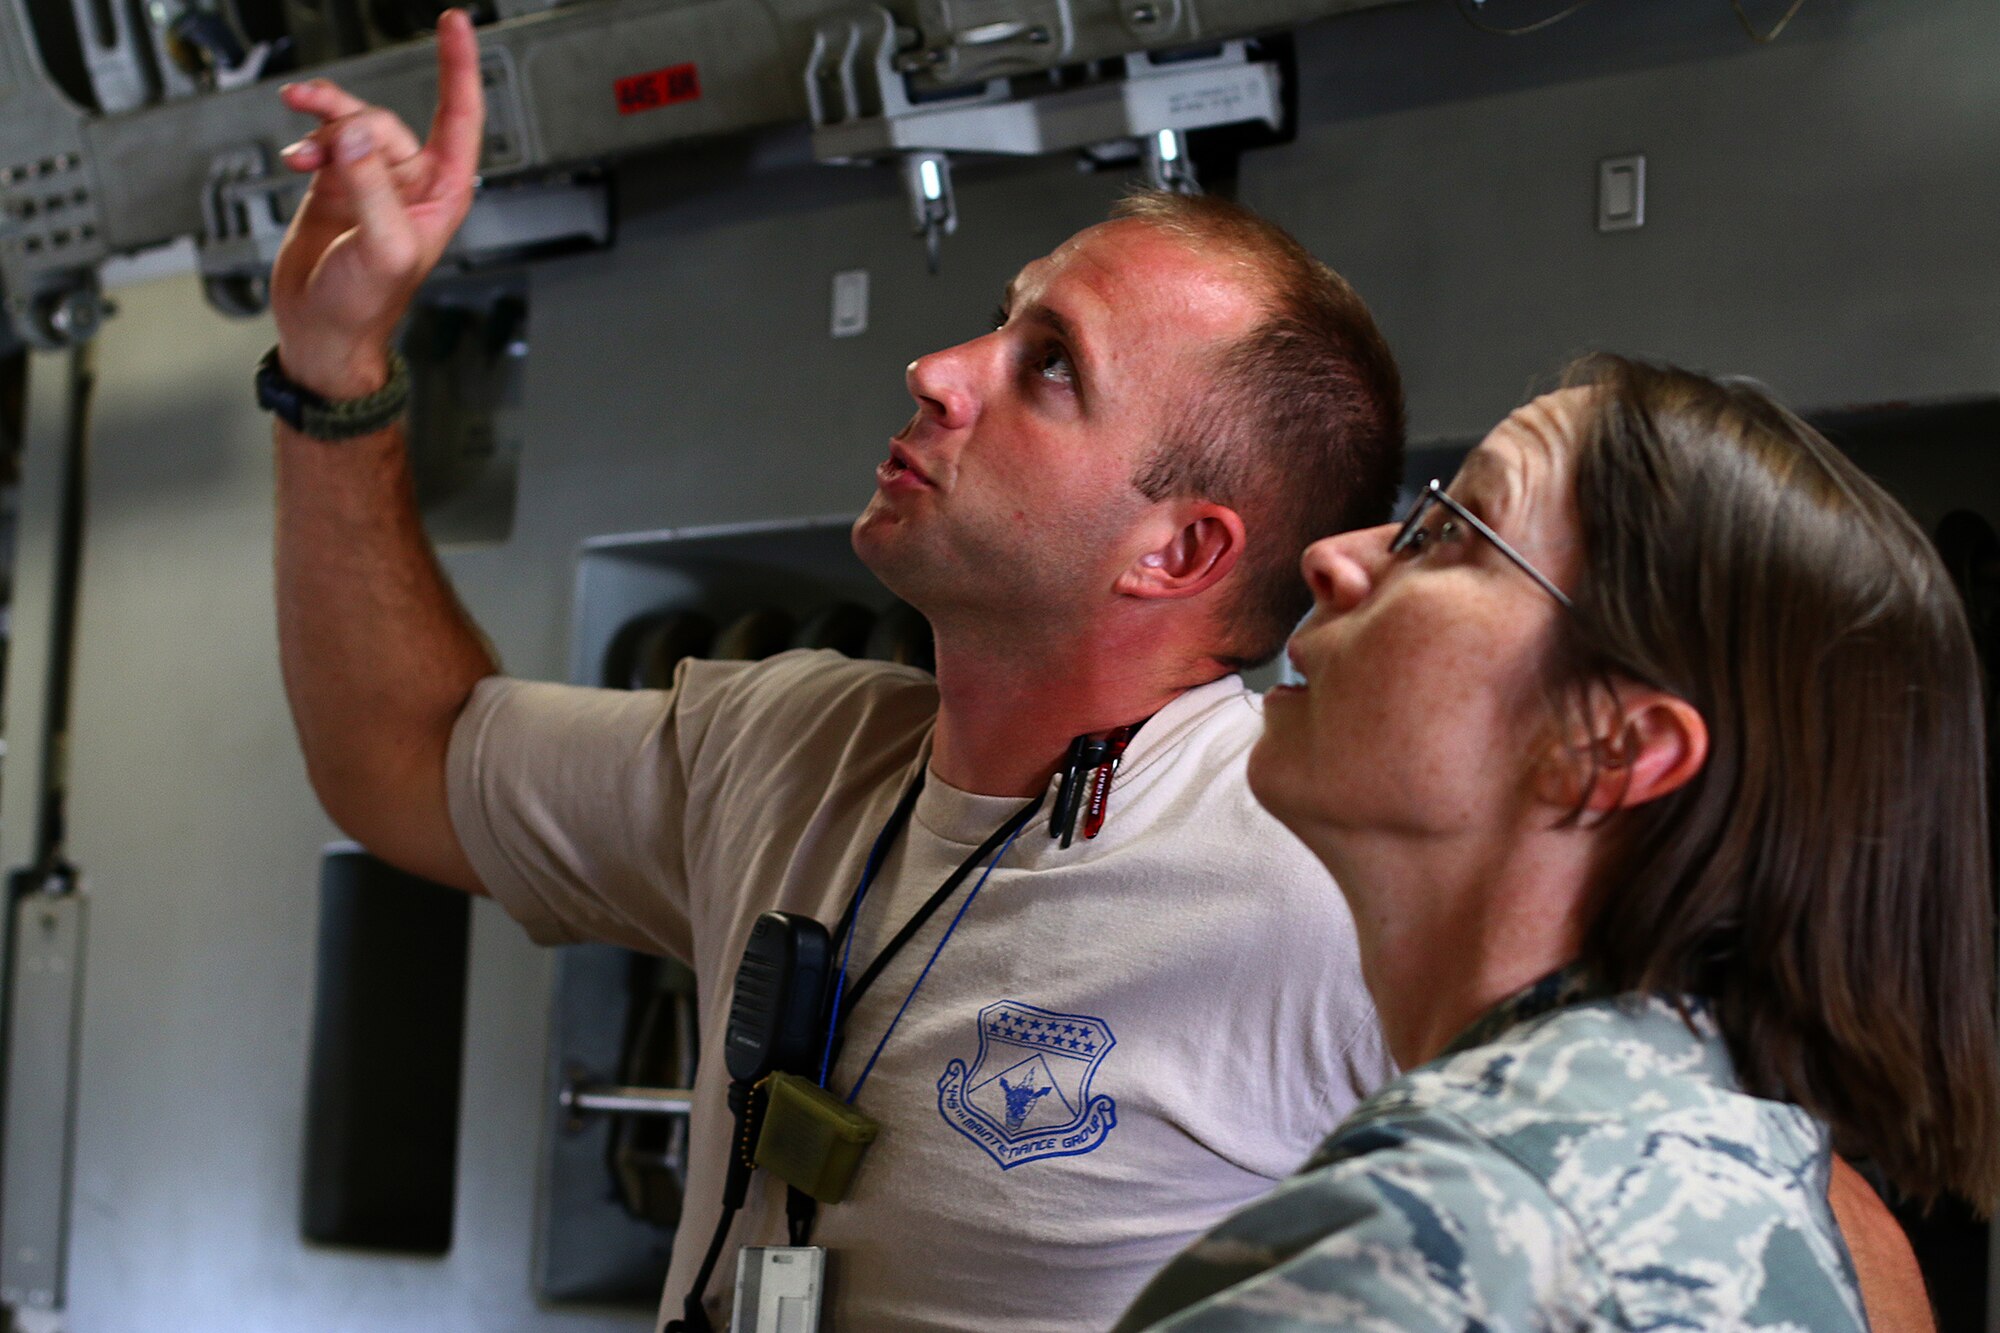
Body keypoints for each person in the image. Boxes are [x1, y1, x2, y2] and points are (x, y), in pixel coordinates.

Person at [262, 11, 1405, 1332]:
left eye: (1048, 369)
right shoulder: (788, 749)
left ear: (1179, 549)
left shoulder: (1327, 867)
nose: (934, 371)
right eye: (998, 322)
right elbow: (398, 757)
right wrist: (334, 370)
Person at [1116, 357, 1999, 1330]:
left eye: (1449, 534)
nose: (1332, 557)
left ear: (1614, 748)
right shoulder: (1732, 1160)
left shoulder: (1436, 1243)